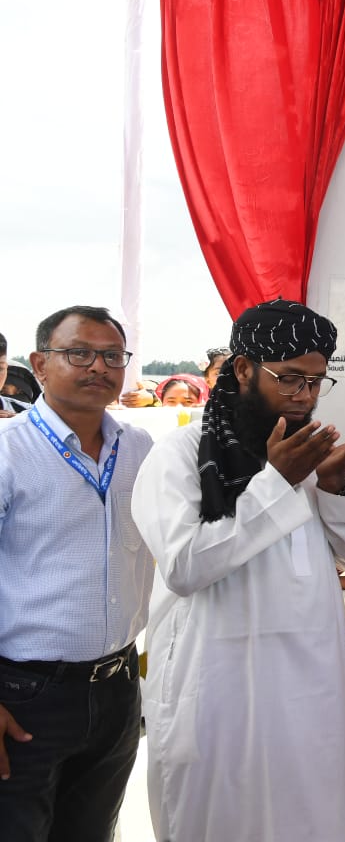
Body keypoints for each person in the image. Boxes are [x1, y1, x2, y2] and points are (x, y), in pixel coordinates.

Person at [132, 299, 345, 842]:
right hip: (219, 685)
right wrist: (278, 482)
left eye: (315, 382)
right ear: (243, 369)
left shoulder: (301, 453)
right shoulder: (179, 456)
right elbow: (184, 567)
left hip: (311, 686)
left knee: (312, 818)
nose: (304, 396)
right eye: (289, 378)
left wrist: (332, 483)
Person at [0, 305, 155, 839]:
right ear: (40, 364)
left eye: (112, 356)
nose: (98, 367)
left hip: (118, 687)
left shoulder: (139, 448)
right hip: (25, 694)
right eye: (79, 353)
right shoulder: (7, 451)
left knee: (92, 831)